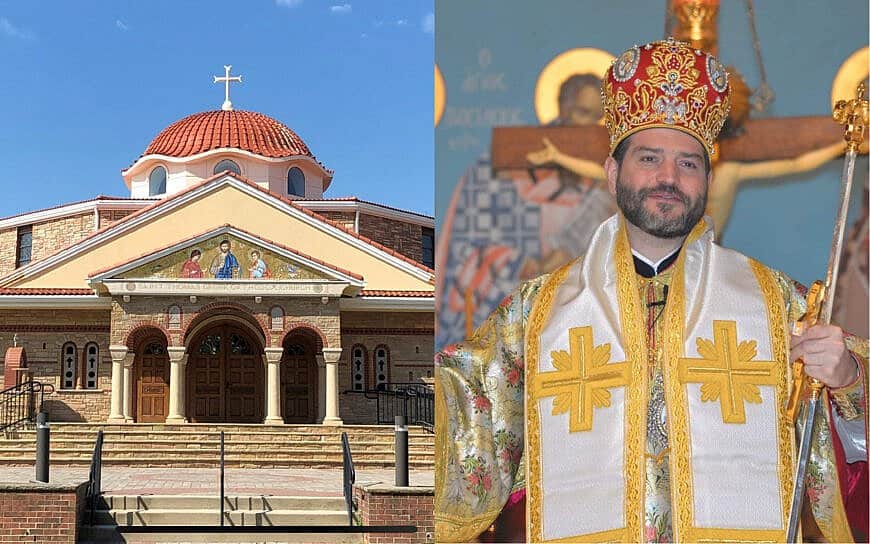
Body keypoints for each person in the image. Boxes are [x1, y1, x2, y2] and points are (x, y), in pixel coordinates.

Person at [435, 38, 867, 543]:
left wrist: (850, 381)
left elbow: (839, 460)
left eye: (688, 163)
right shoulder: (534, 314)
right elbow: (465, 412)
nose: (668, 177)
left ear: (708, 177)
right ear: (613, 172)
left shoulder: (781, 306)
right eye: (649, 158)